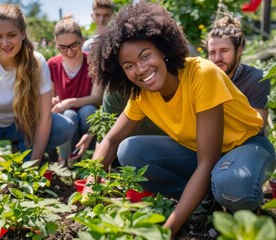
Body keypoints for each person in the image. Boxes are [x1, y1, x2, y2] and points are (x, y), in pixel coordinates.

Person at [83, 1, 276, 237]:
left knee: (232, 185)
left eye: (145, 56)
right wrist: (91, 184)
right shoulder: (142, 95)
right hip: (201, 155)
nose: (141, 69)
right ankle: (206, 202)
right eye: (129, 65)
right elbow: (111, 141)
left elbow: (208, 161)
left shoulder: (201, 74)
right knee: (130, 151)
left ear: (162, 51)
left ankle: (251, 217)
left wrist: (168, 229)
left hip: (248, 146)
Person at [0, 4, 74, 173]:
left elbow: (44, 117)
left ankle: (22, 148)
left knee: (64, 127)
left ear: (23, 33)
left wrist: (34, 162)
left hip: (22, 123)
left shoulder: (37, 62)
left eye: (11, 35)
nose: (5, 43)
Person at [48, 15, 103, 166]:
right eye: (63, 47)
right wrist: (54, 101)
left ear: (82, 41)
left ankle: (91, 156)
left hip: (88, 115)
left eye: (74, 45)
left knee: (88, 111)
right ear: (56, 45)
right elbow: (52, 99)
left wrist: (70, 101)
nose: (69, 52)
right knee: (69, 115)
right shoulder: (52, 65)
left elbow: (97, 98)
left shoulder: (93, 61)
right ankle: (67, 160)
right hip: (67, 114)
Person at [205, 14, 270, 127]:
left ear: (239, 50)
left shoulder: (256, 79)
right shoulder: (203, 79)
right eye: (212, 53)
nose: (218, 58)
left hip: (249, 142)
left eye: (224, 50)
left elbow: (258, 127)